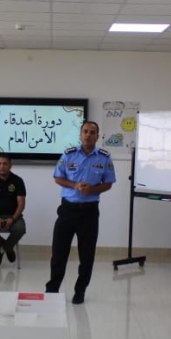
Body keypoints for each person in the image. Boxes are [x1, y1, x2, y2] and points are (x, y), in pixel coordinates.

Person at [45, 121, 115, 305]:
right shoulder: (69, 154)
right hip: (67, 210)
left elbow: (108, 183)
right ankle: (52, 289)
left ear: (97, 136)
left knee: (87, 255)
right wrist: (75, 185)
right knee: (59, 253)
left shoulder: (104, 157)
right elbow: (58, 177)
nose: (88, 135)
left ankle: (80, 290)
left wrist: (91, 190)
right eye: (85, 131)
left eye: (92, 132)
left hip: (89, 213)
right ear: (80, 134)